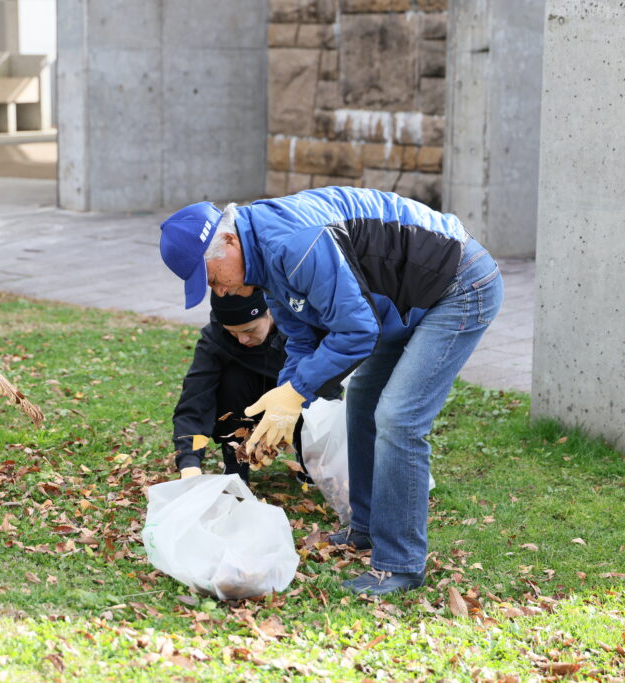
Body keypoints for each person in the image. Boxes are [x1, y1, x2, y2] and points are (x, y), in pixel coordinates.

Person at [160, 186, 503, 596]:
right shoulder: (262, 256)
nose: (219, 292)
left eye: (214, 279)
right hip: (405, 296)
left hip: (459, 283)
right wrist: (283, 403)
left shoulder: (294, 245)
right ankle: (365, 528)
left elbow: (357, 332)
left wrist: (296, 392)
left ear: (229, 241)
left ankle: (400, 565)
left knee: (399, 418)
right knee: (362, 401)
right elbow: (301, 339)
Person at [173, 290, 314, 485]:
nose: (242, 340)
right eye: (233, 332)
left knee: (311, 379)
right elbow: (194, 400)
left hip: (294, 401)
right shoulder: (214, 338)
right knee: (233, 377)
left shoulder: (299, 328)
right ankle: (236, 459)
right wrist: (189, 463)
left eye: (249, 330)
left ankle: (309, 451)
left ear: (269, 312)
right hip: (246, 401)